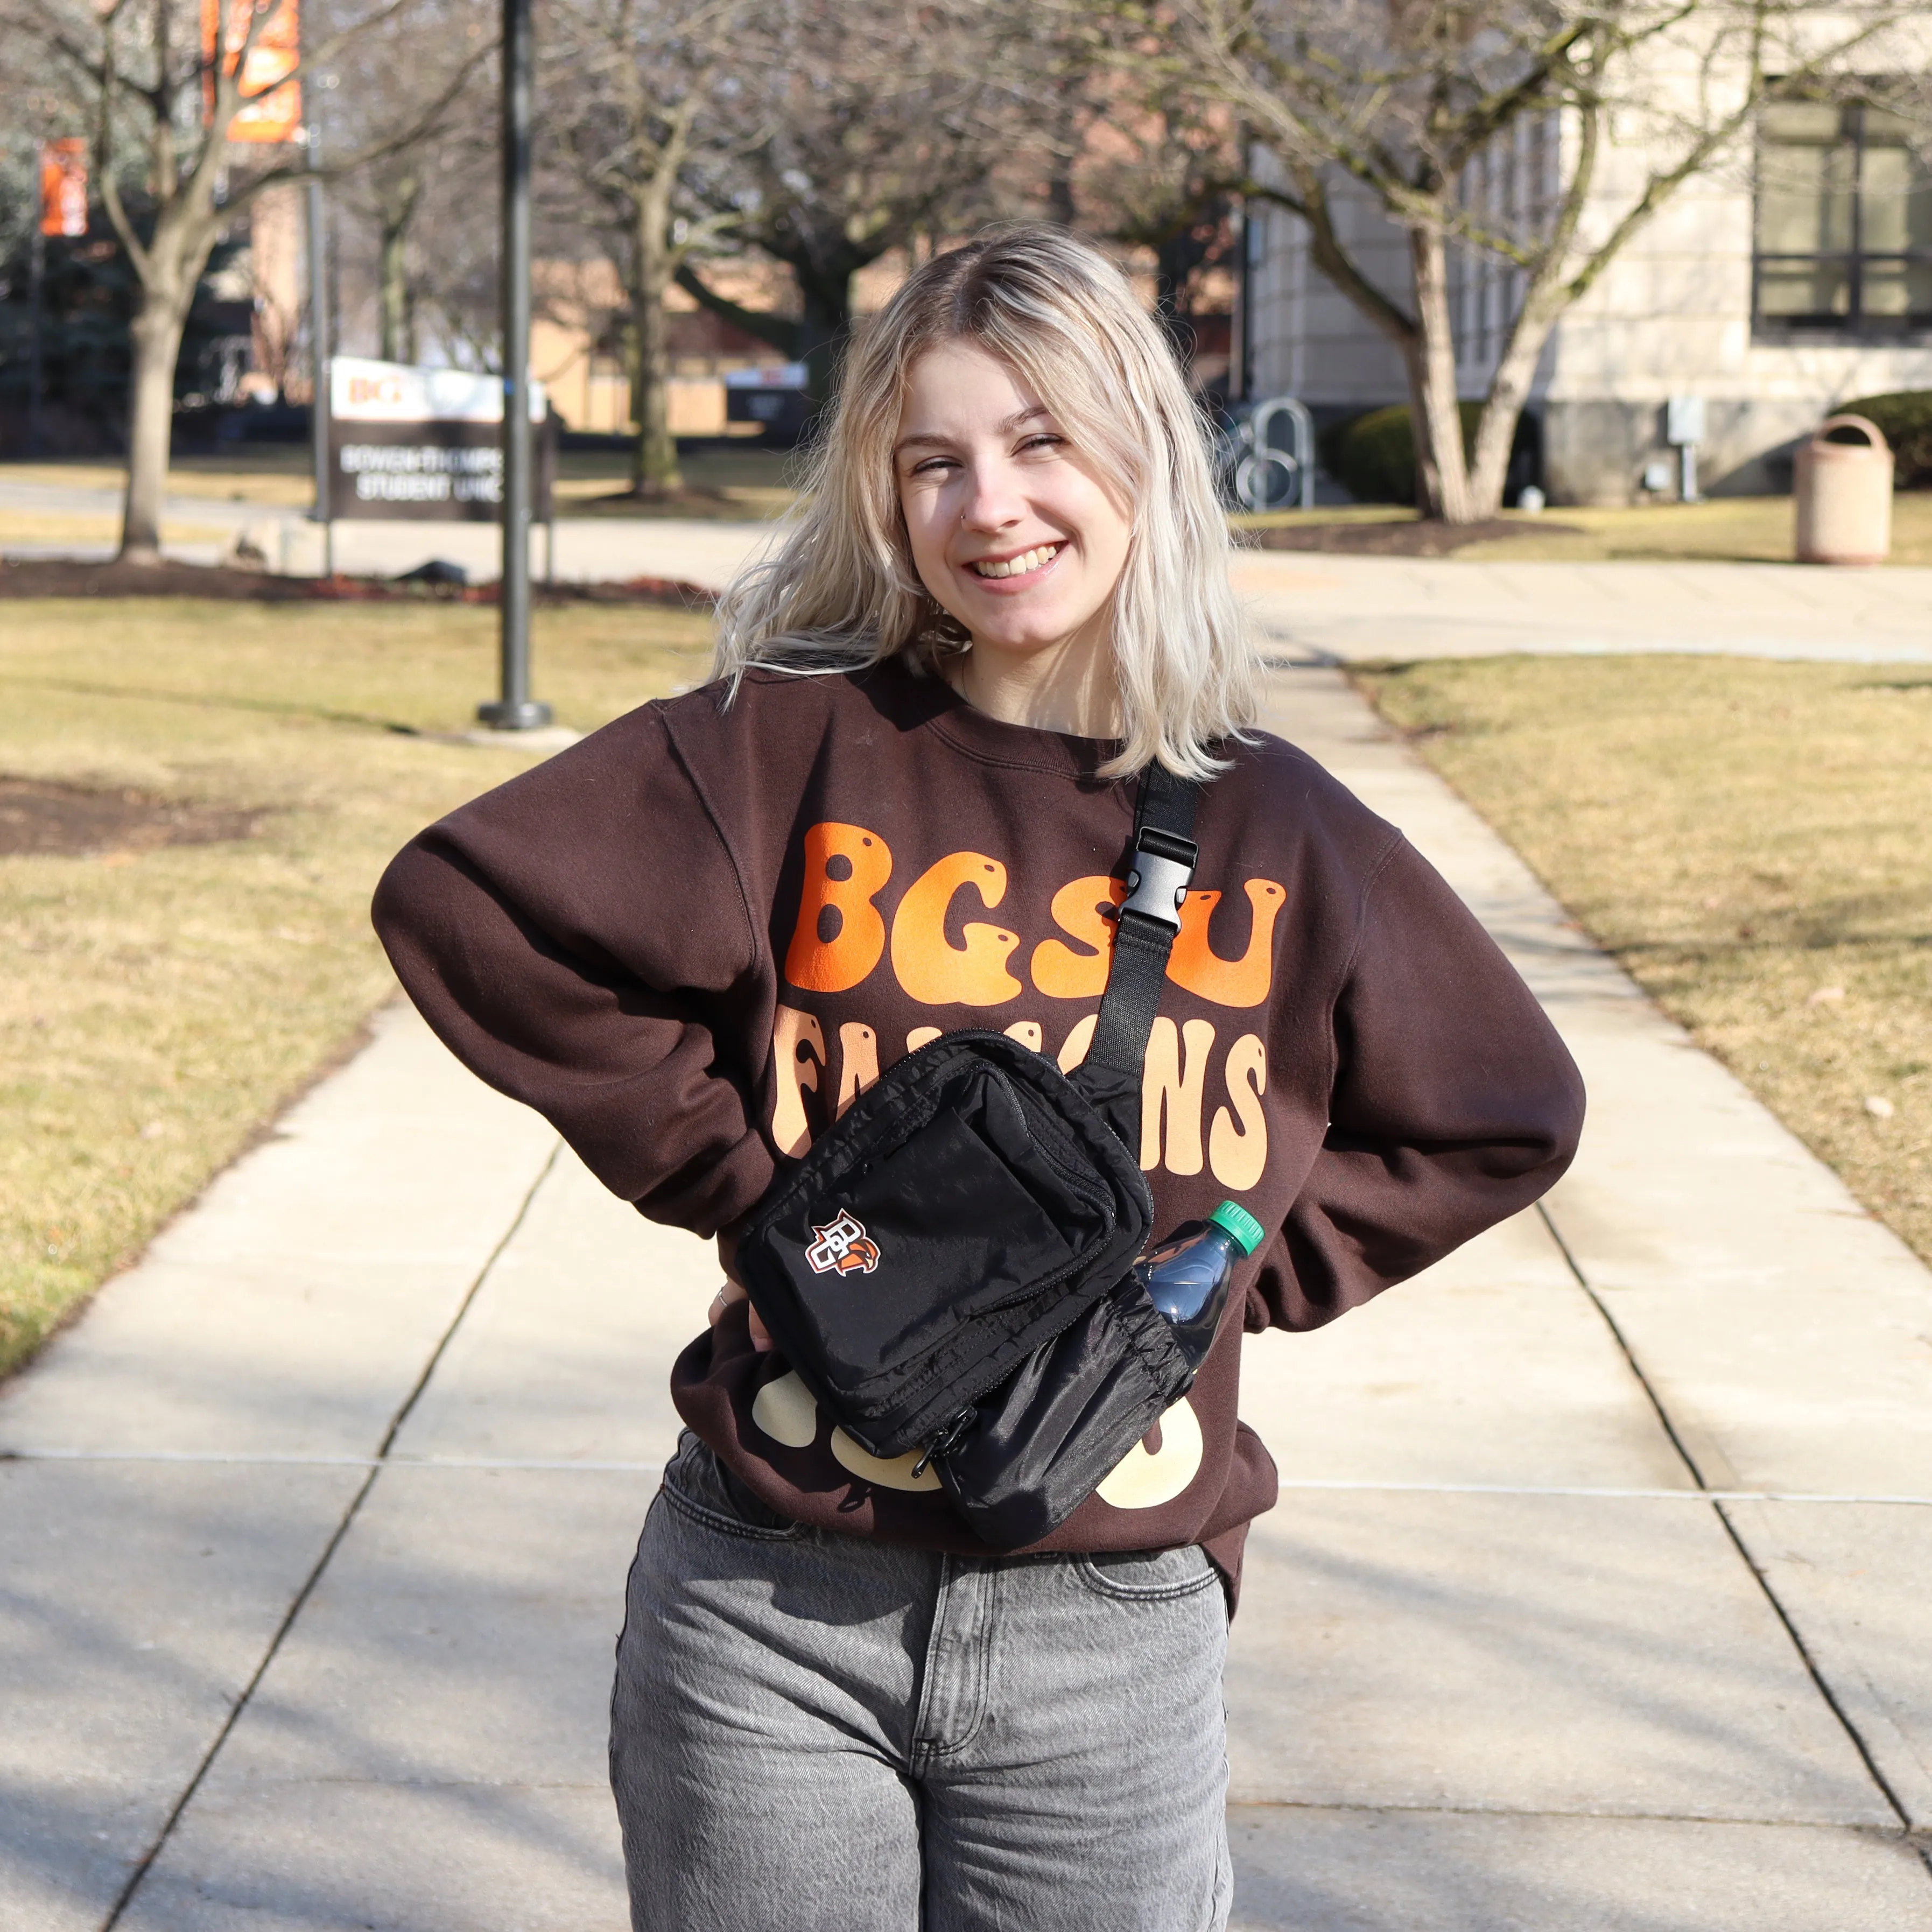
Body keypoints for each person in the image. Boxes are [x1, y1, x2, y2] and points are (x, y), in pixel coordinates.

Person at [372, 225, 1584, 1932]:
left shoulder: (1280, 822)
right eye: (931, 461)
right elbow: (470, 909)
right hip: (769, 1600)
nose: (988, 506)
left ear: (1142, 455)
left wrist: (1224, 1276)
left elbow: (1499, 1110)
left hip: (1111, 1622)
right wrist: (753, 1194)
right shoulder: (786, 744)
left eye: (1038, 443)